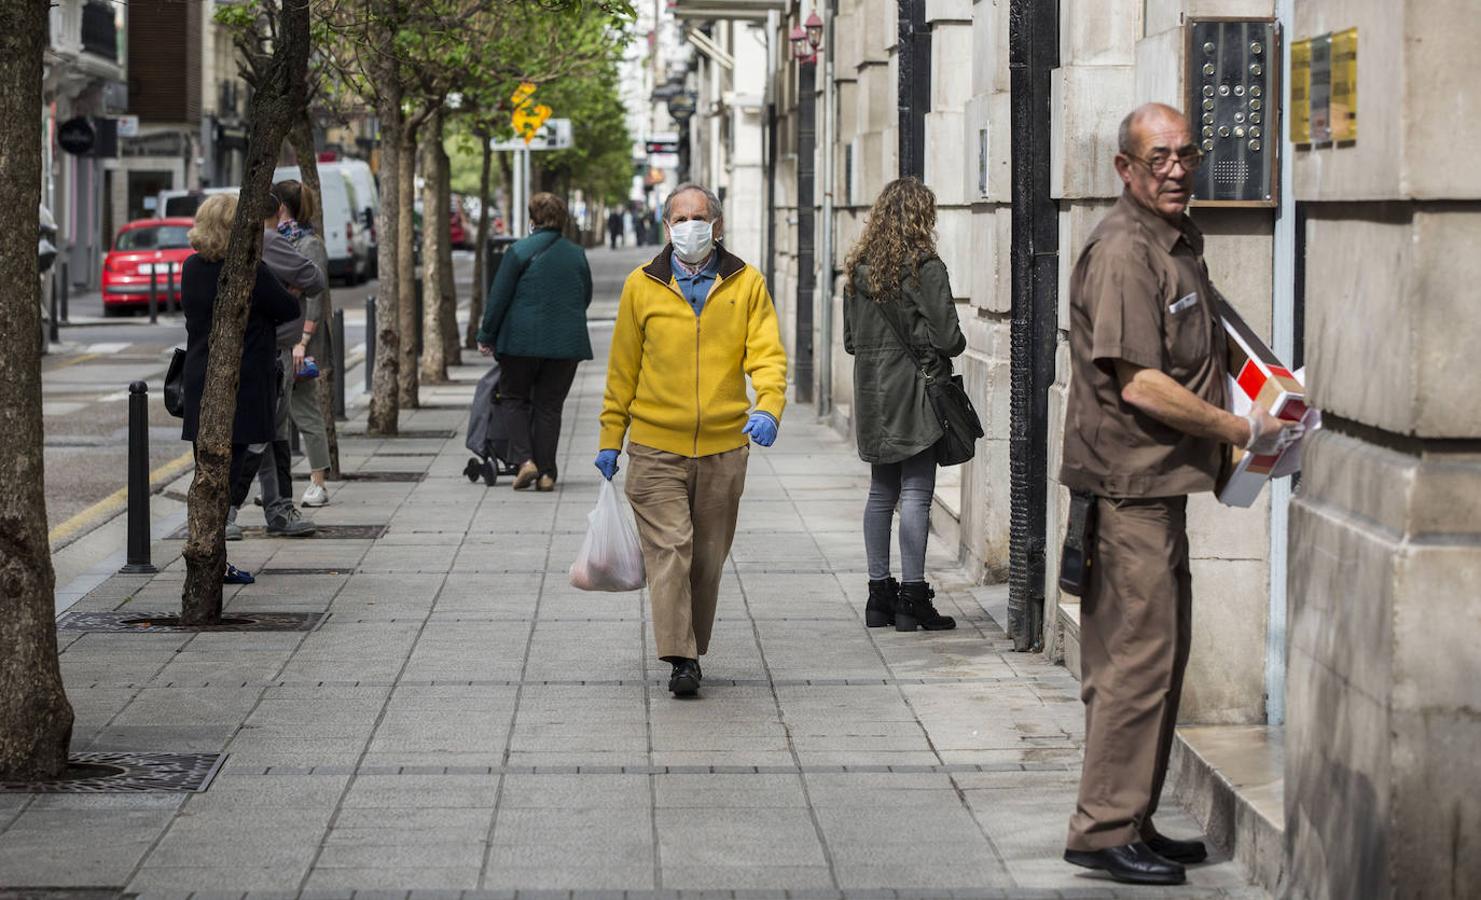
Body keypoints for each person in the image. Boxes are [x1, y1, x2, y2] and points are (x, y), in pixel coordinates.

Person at [1058, 103, 1301, 886]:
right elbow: (1142, 385)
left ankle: (1130, 816)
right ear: (1124, 170)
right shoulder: (1126, 251)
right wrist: (1242, 432)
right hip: (1127, 491)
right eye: (1155, 157)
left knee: (1158, 661)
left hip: (1156, 488)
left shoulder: (1172, 242)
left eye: (1182, 154)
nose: (1173, 168)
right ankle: (1100, 831)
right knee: (1134, 665)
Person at [595, 183, 788, 698]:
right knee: (671, 551)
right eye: (679, 219)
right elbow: (623, 368)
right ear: (666, 227)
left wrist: (768, 407)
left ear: (717, 225)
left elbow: (767, 355)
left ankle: (690, 648)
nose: (689, 227)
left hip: (725, 448)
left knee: (706, 559)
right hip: (656, 447)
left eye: (698, 217)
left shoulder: (746, 283)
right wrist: (611, 435)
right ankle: (681, 658)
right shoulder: (642, 284)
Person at [842, 177, 965, 633]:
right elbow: (949, 338)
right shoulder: (924, 267)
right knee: (915, 492)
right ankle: (913, 596)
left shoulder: (858, 270)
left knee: (880, 492)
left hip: (873, 392)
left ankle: (879, 594)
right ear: (921, 217)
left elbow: (852, 342)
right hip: (914, 389)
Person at [179, 192, 301, 577]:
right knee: (237, 464)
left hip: (201, 378)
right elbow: (288, 308)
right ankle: (217, 552)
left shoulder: (191, 267)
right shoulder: (249, 269)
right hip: (243, 382)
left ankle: (211, 557)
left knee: (207, 470)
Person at [224, 185, 327, 539]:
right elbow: (315, 279)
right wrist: (288, 291)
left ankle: (275, 506)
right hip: (271, 350)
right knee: (265, 432)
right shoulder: (269, 240)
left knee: (265, 432)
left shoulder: (224, 243)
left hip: (233, 350)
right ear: (277, 211)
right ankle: (236, 509)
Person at [476, 192, 593, 491]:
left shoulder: (518, 251)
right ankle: (547, 474)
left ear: (533, 219)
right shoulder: (576, 254)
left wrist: (486, 335)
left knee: (514, 398)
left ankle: (525, 461)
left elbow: (498, 298)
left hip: (520, 343)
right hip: (565, 344)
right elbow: (585, 296)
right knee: (550, 406)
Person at [266, 180, 333, 510]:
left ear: (281, 207)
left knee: (305, 412)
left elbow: (316, 298)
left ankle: (318, 482)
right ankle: (275, 487)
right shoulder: (279, 241)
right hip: (283, 339)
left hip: (302, 341)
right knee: (279, 415)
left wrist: (302, 343)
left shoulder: (309, 243)